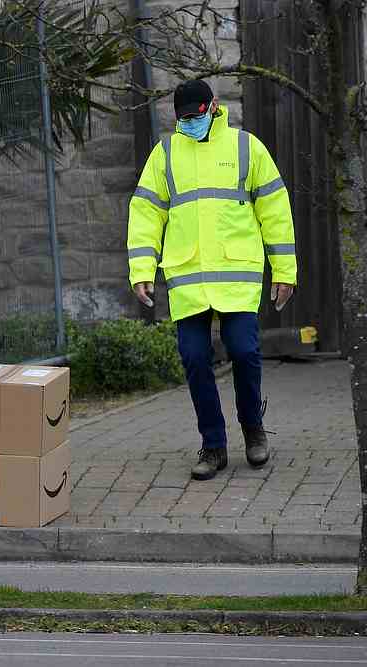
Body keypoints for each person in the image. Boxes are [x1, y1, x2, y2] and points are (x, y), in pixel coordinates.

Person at [126, 79, 297, 481]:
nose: (189, 123)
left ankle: (253, 430)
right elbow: (146, 212)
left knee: (244, 351)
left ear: (214, 106)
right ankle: (214, 445)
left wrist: (285, 271)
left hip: (237, 277)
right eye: (182, 118)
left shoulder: (246, 147)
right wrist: (141, 270)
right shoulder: (166, 153)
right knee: (195, 359)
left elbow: (275, 209)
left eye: (196, 115)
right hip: (187, 280)